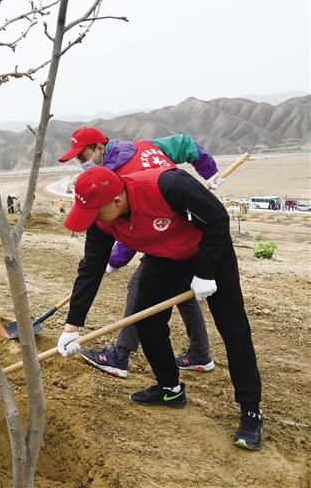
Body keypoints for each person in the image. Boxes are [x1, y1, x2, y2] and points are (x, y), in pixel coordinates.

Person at [57, 165, 263, 451]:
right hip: (164, 256)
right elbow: (90, 270)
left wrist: (204, 272)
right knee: (147, 319)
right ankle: (170, 389)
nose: (91, 220)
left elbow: (217, 219)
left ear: (116, 201)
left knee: (234, 331)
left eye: (94, 213)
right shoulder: (102, 219)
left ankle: (251, 412)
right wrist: (72, 327)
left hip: (209, 251)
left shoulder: (168, 184)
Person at [59, 127, 223, 378]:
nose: (81, 163)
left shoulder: (125, 176)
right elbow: (183, 143)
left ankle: (120, 355)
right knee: (180, 289)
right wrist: (207, 170)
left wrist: (208, 170)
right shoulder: (139, 148)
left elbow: (139, 227)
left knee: (141, 287)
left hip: (178, 232)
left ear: (100, 148)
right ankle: (200, 354)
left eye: (83, 156)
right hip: (170, 237)